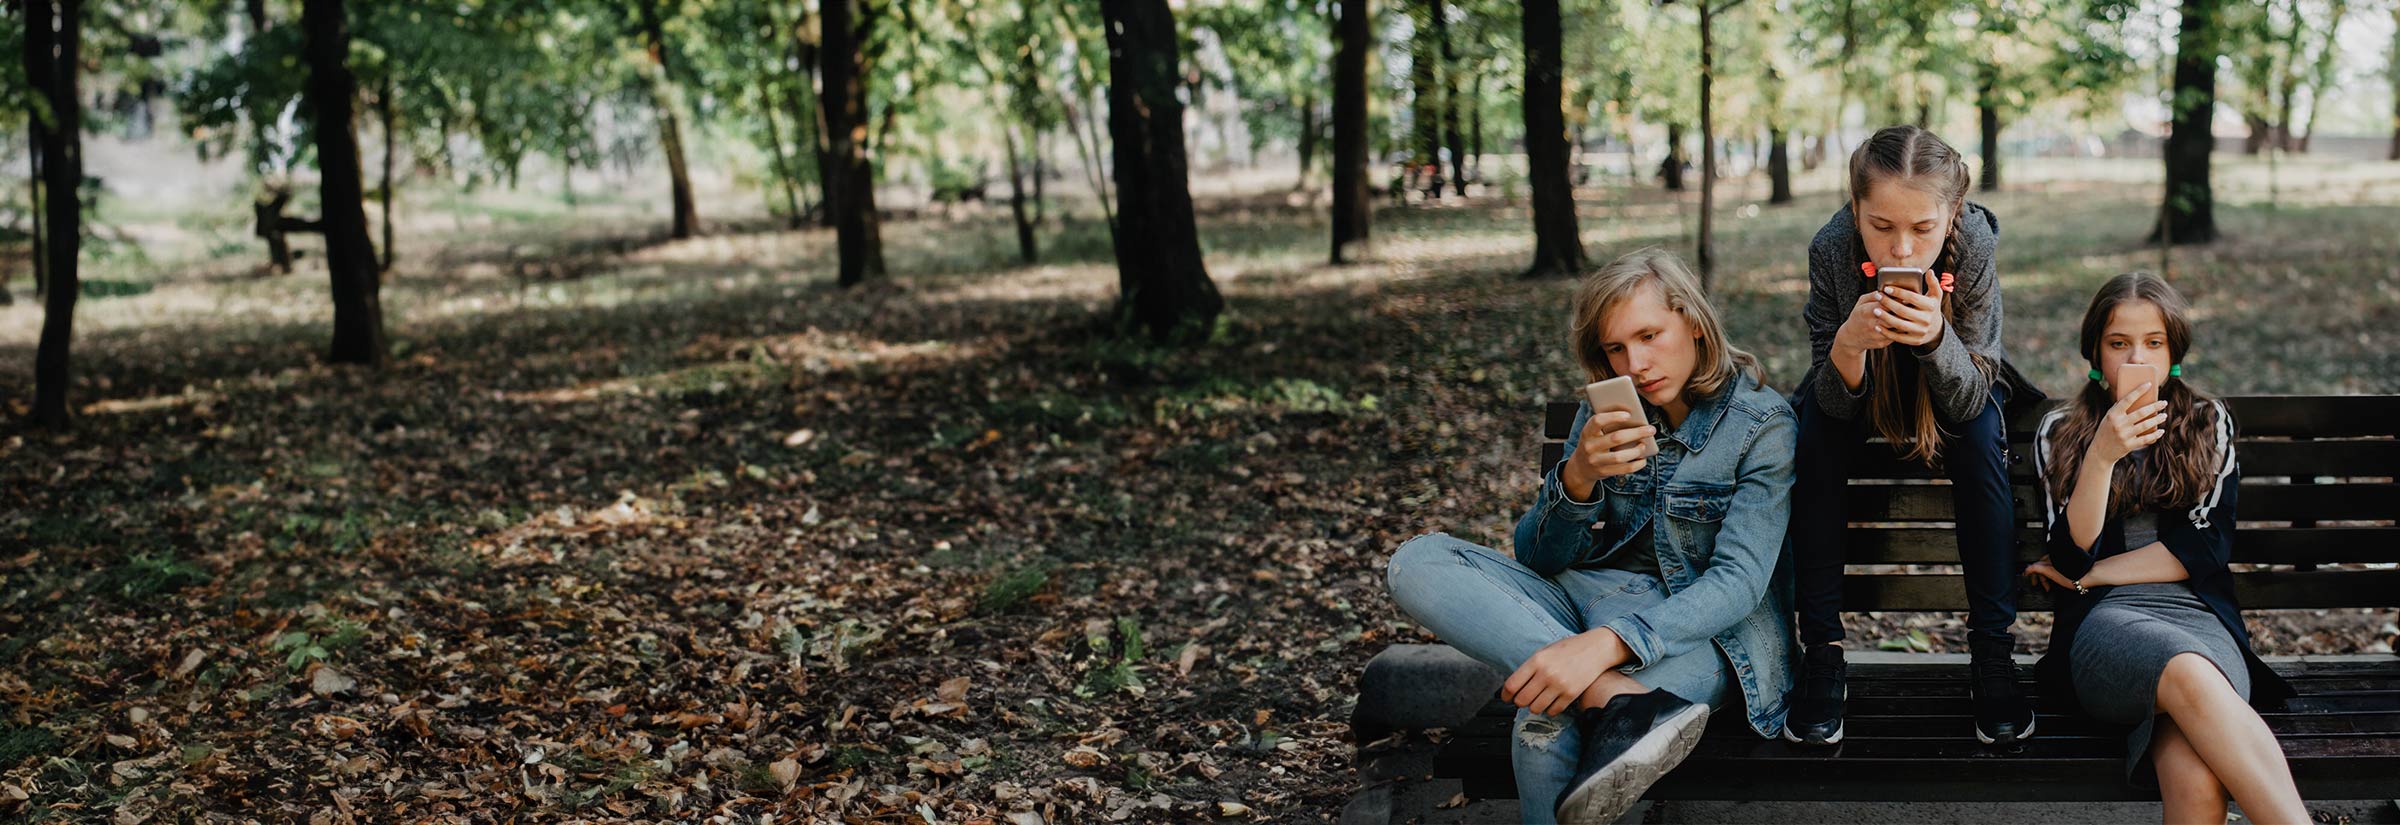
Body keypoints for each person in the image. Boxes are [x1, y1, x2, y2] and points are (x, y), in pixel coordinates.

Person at [1385, 248, 1796, 824]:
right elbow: (1537, 558)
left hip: (1706, 631)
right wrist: (1578, 476)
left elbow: (1738, 584)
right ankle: (1621, 704)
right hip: (1585, 597)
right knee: (1418, 560)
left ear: (1694, 323)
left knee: (1547, 712)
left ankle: (1601, 697)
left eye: (1650, 335)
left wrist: (1602, 646)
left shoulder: (1762, 426)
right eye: (1616, 348)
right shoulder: (1606, 413)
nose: (1637, 363)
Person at [1784, 124, 2043, 746]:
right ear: (1855, 212)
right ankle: (1821, 652)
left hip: (1951, 387)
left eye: (1922, 229)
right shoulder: (1831, 248)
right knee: (1814, 439)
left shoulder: (1975, 241)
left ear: (1953, 213)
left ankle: (1992, 654)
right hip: (1859, 390)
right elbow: (1831, 398)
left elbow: (1972, 392)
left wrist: (1933, 339)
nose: (1901, 249)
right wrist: (1848, 345)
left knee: (1983, 438)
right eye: (1881, 226)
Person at [2024, 272, 2303, 822]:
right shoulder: (2060, 429)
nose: (2138, 359)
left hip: (2200, 620)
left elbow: (2202, 549)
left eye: (2154, 343)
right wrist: (2102, 455)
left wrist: (2094, 574)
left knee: (2197, 781)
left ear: (2174, 351)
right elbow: (2070, 556)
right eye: (2119, 344)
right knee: (2189, 673)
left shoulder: (2205, 421)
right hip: (2104, 630)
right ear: (2095, 352)